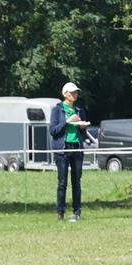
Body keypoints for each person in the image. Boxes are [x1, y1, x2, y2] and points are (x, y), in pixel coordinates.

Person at [49, 81, 89, 222]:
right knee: (62, 183)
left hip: (77, 148)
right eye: (72, 93)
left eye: (76, 92)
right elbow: (53, 131)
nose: (74, 95)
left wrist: (83, 128)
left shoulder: (79, 109)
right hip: (62, 150)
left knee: (76, 182)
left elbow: (82, 132)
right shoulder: (57, 110)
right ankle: (60, 213)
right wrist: (67, 122)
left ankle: (77, 212)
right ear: (65, 94)